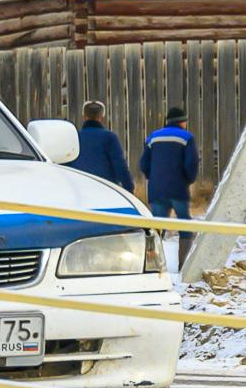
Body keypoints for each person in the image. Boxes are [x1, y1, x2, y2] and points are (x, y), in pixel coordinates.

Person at [141, 105, 198, 272]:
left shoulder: (152, 137)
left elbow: (144, 164)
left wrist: (152, 177)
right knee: (184, 224)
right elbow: (191, 164)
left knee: (157, 227)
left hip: (157, 189)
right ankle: (184, 264)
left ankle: (152, 265)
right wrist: (188, 179)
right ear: (182, 122)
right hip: (179, 189)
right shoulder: (187, 137)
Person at [67, 100, 131, 191]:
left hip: (79, 189)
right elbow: (120, 165)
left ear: (84, 117)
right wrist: (129, 187)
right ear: (101, 117)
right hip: (106, 189)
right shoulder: (109, 137)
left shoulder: (74, 138)